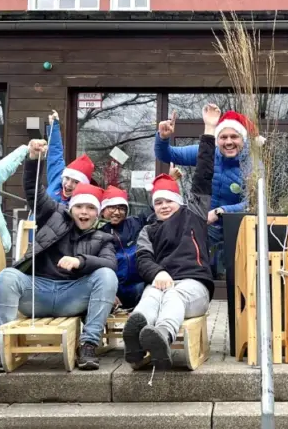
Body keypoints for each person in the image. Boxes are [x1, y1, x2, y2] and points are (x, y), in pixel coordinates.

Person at [0, 139, 119, 373]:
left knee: (107, 276)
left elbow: (110, 264)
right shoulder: (53, 214)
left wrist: (80, 261)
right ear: (72, 207)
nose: (84, 212)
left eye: (90, 208)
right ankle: (0, 347)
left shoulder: (104, 237)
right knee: (7, 276)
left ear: (97, 213)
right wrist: (33, 159)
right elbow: (32, 191)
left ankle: (88, 345)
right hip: (37, 292)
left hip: (73, 296)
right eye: (80, 207)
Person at [123, 105, 218, 371]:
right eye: (158, 202)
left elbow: (203, 174)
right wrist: (157, 273)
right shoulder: (149, 229)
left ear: (178, 200)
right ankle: (135, 335)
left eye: (168, 201)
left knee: (173, 296)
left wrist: (209, 129)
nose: (164, 206)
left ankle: (161, 337)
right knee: (151, 295)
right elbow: (143, 259)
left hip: (194, 286)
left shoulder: (195, 214)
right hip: (162, 284)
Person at [154, 110, 253, 276]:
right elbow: (167, 154)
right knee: (190, 263)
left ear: (243, 139)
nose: (229, 142)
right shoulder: (206, 152)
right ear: (217, 139)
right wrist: (163, 138)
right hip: (204, 225)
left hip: (236, 227)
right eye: (223, 137)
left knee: (237, 274)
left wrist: (222, 212)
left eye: (234, 137)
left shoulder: (252, 166)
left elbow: (253, 202)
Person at [98, 186, 152, 309]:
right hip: (113, 290)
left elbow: (155, 209)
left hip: (138, 285)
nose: (117, 212)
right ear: (102, 209)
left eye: (121, 208)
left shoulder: (134, 223)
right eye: (112, 207)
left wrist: (169, 181)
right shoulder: (96, 232)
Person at [46, 110, 95, 205]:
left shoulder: (83, 205)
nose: (68, 184)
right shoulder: (57, 179)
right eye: (67, 178)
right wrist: (54, 127)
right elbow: (55, 154)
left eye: (76, 182)